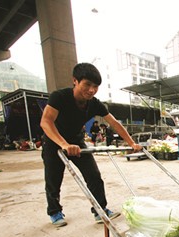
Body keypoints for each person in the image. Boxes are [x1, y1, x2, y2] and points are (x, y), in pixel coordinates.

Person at [40, 63, 142, 227]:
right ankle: (55, 212)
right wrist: (64, 144)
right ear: (75, 81)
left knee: (93, 175)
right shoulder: (59, 97)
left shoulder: (94, 103)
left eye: (95, 86)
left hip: (76, 141)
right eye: (87, 85)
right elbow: (46, 122)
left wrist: (131, 143)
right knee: (53, 179)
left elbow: (114, 123)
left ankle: (100, 210)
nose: (91, 90)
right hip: (54, 141)